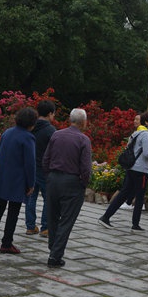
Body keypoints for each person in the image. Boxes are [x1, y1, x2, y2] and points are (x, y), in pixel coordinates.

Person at [42, 108, 92, 268]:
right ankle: (55, 256)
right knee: (67, 220)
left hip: (53, 179)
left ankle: (53, 247)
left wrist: (49, 176)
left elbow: (46, 158)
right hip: (72, 182)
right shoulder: (83, 140)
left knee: (52, 217)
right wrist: (84, 183)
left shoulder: (56, 135)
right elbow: (86, 168)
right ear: (83, 122)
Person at [0, 106, 38, 255]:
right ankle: (7, 243)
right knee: (13, 212)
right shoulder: (28, 138)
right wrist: (31, 183)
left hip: (2, 175)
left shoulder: (7, 132)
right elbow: (30, 163)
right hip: (17, 179)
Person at [98, 110, 148, 233]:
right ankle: (135, 225)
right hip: (141, 170)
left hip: (132, 168)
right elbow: (147, 153)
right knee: (140, 196)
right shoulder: (146, 134)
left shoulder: (136, 133)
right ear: (147, 122)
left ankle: (106, 217)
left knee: (124, 193)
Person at [25, 100, 57, 236]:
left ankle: (30, 226)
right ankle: (46, 227)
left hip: (30, 167)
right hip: (45, 169)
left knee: (31, 197)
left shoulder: (30, 127)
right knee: (48, 199)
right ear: (50, 114)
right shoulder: (51, 131)